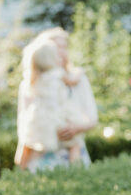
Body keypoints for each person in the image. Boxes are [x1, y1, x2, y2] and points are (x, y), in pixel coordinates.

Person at [16, 29, 96, 172]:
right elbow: (24, 124)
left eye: (64, 47)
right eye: (56, 47)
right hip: (40, 156)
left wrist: (75, 128)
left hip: (71, 151)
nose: (61, 52)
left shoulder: (77, 79)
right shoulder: (29, 84)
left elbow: (92, 119)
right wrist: (20, 163)